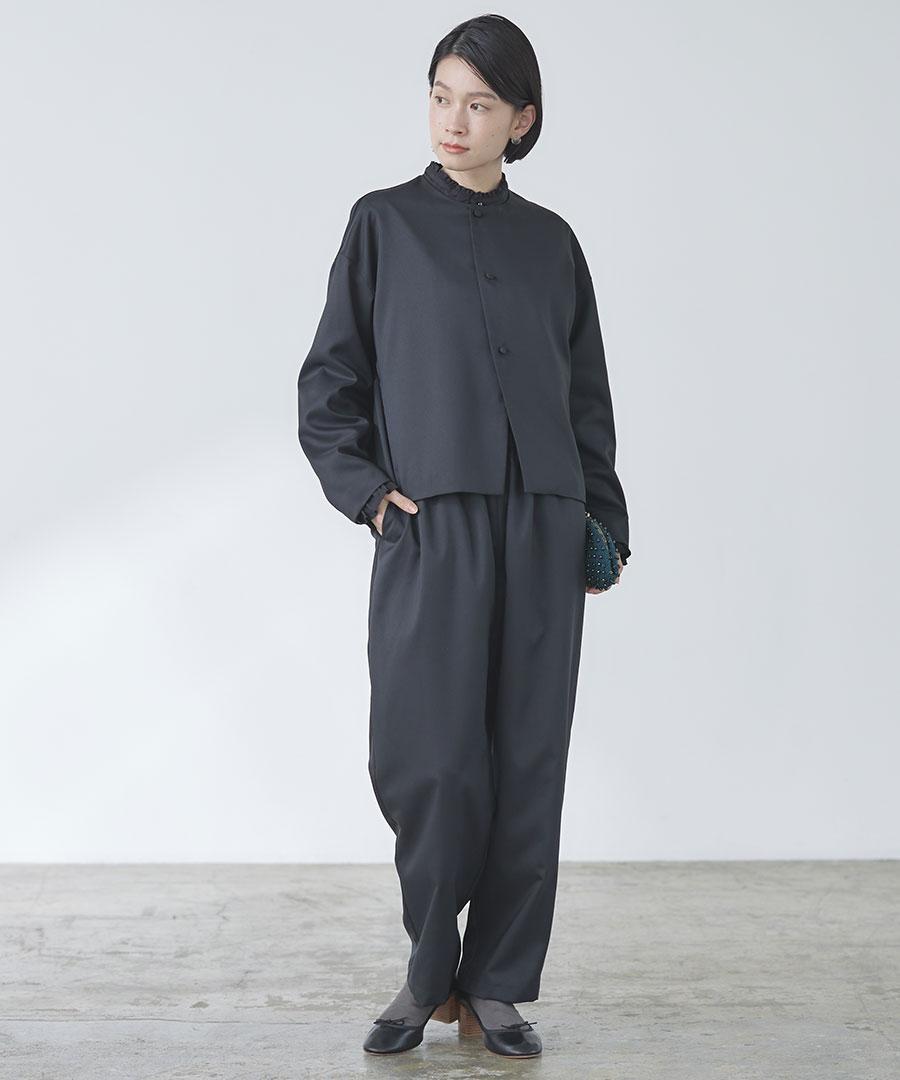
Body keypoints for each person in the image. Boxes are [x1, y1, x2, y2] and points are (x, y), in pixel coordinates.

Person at [297, 14, 631, 1060]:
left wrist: (603, 521)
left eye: (480, 103)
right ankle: (426, 970)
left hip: (542, 525)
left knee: (529, 759)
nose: (455, 120)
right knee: (430, 759)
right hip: (429, 526)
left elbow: (586, 397)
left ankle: (496, 987)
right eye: (442, 96)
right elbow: (329, 384)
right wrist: (368, 495)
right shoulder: (382, 225)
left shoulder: (553, 244)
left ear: (521, 119)